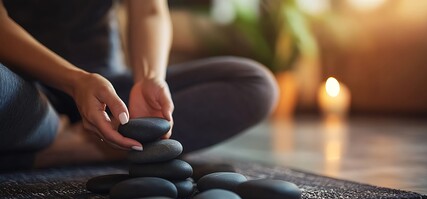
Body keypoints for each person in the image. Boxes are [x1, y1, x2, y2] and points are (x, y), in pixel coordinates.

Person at [0, 0, 278, 171]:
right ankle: (57, 137)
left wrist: (149, 77)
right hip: (22, 89)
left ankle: (64, 148)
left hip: (109, 95)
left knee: (256, 84)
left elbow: (150, 10)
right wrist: (75, 81)